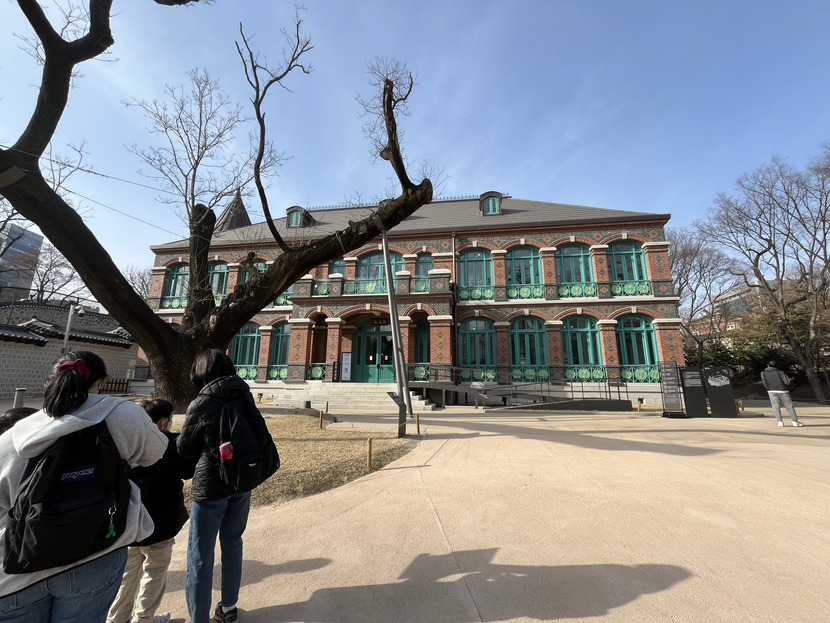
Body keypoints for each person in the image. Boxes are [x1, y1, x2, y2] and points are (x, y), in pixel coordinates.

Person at [0, 351, 167, 623]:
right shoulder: (122, 414)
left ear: (53, 380)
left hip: (20, 567)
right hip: (97, 549)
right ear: (102, 382)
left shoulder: (17, 433)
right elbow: (156, 451)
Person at [177, 349, 261, 623]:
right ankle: (228, 608)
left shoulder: (202, 402)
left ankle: (198, 618)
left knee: (200, 555)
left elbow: (185, 449)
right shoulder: (244, 395)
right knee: (233, 543)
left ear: (202, 372)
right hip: (241, 481)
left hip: (211, 487)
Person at [107, 400, 196, 623]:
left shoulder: (125, 443)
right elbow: (187, 471)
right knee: (154, 573)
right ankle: (144, 619)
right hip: (160, 523)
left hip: (130, 522)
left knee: (127, 575)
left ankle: (117, 619)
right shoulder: (168, 444)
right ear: (164, 422)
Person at [760, 360, 804, 427]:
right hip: (782, 390)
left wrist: (768, 388)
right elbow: (787, 382)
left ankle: (780, 422)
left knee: (775, 406)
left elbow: (764, 382)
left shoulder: (763, 373)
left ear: (768, 365)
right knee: (789, 406)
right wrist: (790, 379)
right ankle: (795, 421)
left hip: (771, 390)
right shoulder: (780, 372)